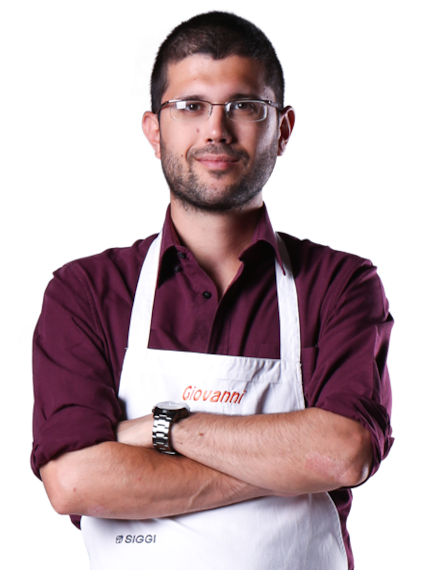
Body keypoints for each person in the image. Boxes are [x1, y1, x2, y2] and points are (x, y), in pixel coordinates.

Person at [30, 10, 395, 570]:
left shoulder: (340, 283)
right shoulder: (86, 292)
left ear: (284, 129)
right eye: (191, 106)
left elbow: (343, 455)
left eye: (244, 106)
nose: (216, 131)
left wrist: (163, 429)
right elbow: (76, 483)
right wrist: (288, 466)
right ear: (154, 130)